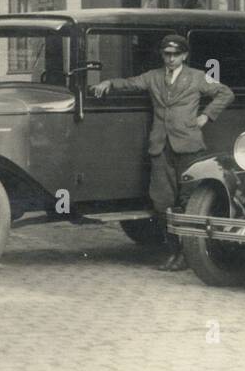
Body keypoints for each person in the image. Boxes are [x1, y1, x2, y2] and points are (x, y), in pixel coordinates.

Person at [93, 33, 234, 272]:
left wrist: (205, 116)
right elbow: (130, 82)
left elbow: (225, 93)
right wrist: (108, 83)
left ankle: (191, 255)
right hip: (160, 147)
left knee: (188, 200)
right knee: (162, 202)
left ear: (184, 55)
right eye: (167, 54)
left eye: (175, 54)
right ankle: (174, 252)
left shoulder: (197, 77)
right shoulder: (153, 77)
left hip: (188, 147)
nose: (170, 59)